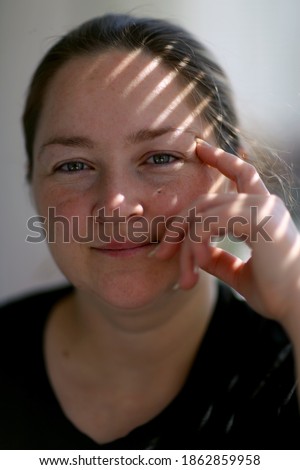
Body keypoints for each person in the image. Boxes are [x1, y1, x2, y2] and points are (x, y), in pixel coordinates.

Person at [1, 13, 300, 450]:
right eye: (73, 165)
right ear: (32, 185)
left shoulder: (285, 365)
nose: (116, 204)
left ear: (233, 174)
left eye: (160, 158)